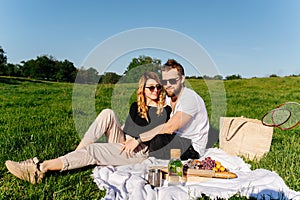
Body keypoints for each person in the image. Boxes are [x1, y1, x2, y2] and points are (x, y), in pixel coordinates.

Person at [5, 71, 172, 184]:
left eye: (158, 87)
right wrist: (121, 134)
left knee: (94, 150)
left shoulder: (164, 109)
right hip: (124, 143)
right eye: (151, 87)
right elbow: (128, 127)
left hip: (139, 151)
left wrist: (136, 140)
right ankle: (76, 154)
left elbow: (160, 130)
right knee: (108, 113)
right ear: (142, 89)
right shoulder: (136, 106)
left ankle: (40, 169)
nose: (155, 90)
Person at [130, 59, 210, 160]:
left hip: (191, 147)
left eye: (172, 81)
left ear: (182, 79)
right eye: (164, 81)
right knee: (153, 133)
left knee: (158, 139)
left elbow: (169, 127)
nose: (168, 85)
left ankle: (140, 157)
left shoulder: (189, 98)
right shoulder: (168, 98)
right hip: (172, 139)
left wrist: (138, 139)